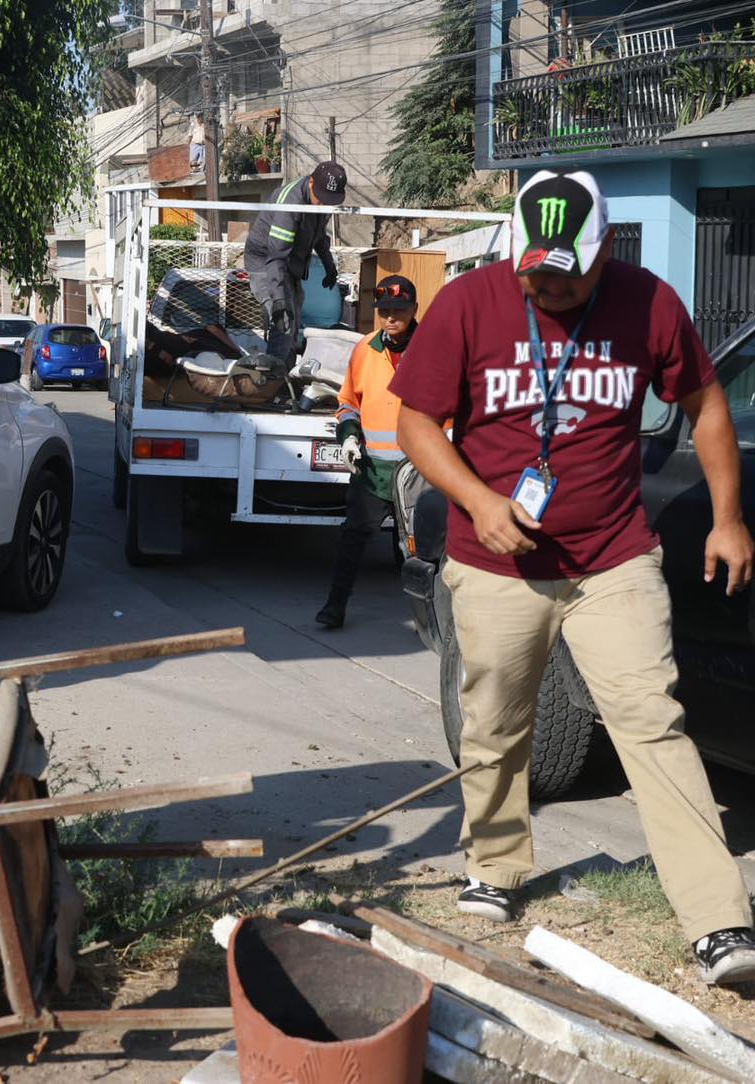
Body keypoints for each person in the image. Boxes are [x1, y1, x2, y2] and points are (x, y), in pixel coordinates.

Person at [391, 170, 755, 984]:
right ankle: (495, 865)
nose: (550, 286)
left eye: (568, 272)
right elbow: (416, 422)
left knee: (652, 721)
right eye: (537, 272)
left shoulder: (648, 305)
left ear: (605, 249)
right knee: (495, 723)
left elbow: (706, 405)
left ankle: (718, 920)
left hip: (613, 557)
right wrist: (478, 501)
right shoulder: (469, 304)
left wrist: (728, 518)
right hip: (497, 562)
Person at [316, 275, 420, 630]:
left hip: (419, 470)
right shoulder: (365, 350)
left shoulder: (433, 349)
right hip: (373, 470)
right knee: (352, 539)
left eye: (399, 310)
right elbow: (348, 403)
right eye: (384, 310)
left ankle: (431, 620)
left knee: (420, 549)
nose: (390, 317)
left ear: (414, 309)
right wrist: (348, 437)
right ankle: (334, 607)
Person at [243, 160, 345, 365]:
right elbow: (276, 255)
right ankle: (272, 377)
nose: (323, 203)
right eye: (321, 197)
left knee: (293, 325)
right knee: (284, 320)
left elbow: (319, 236)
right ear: (311, 182)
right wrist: (279, 298)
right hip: (266, 262)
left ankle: (284, 373)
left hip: (290, 265)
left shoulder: (320, 202)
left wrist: (329, 265)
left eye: (329, 200)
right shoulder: (290, 203)